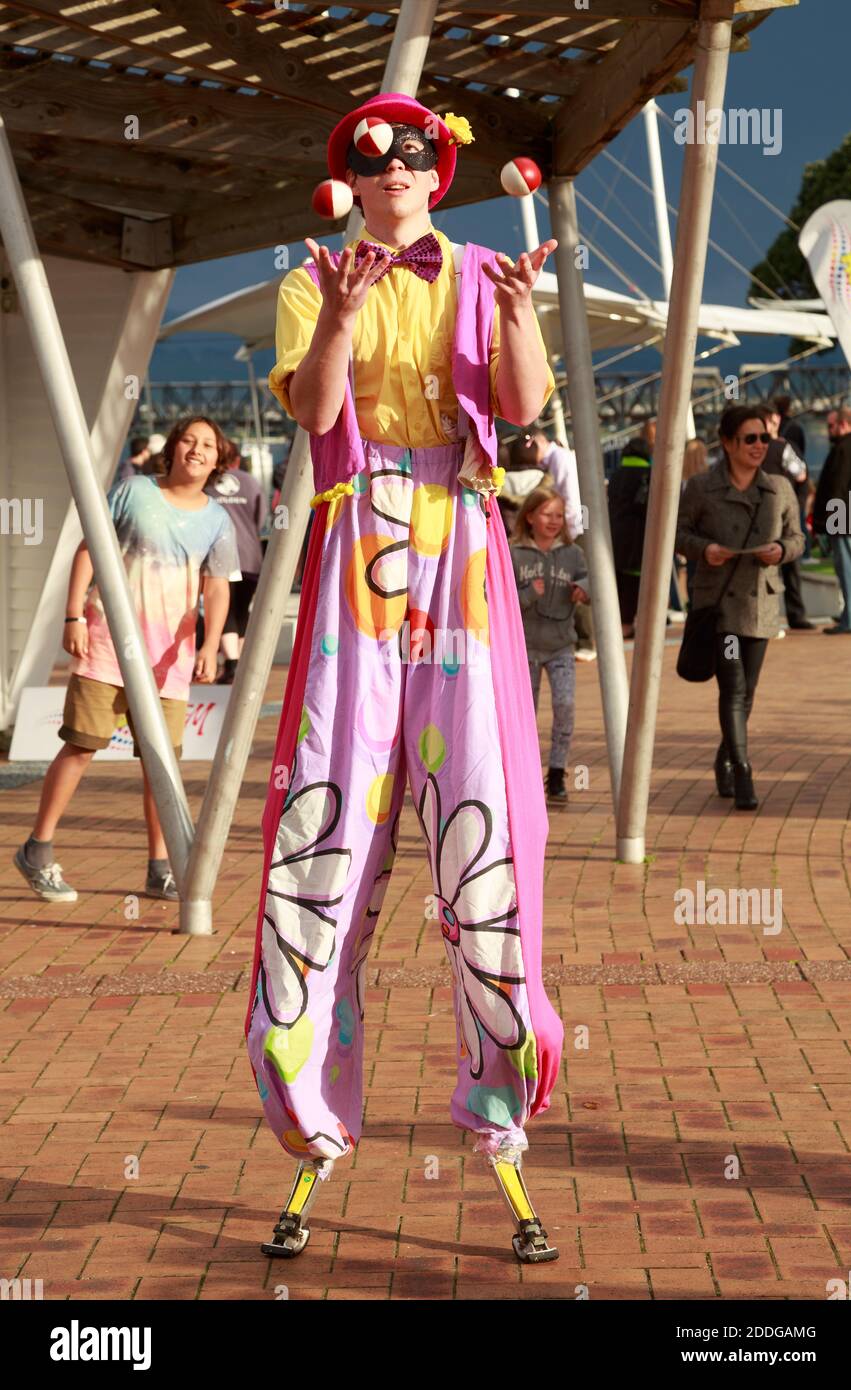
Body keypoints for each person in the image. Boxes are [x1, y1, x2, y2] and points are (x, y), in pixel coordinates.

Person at [247, 93, 565, 1266]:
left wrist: (523, 314)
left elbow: (523, 412)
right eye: (371, 155)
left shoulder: (483, 270)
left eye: (413, 151)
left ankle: (502, 1104)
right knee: (327, 815)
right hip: (358, 537)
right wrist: (337, 314)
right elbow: (320, 414)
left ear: (440, 169)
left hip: (464, 538)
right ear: (351, 175)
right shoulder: (311, 278)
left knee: (478, 822)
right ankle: (307, 1115)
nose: (393, 166)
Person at [13, 416, 240, 904]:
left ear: (218, 460)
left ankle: (162, 866)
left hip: (169, 661)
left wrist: (209, 644)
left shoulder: (218, 520)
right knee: (81, 746)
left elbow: (217, 588)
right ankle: (37, 849)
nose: (196, 450)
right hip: (108, 645)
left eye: (207, 446)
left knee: (161, 765)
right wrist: (73, 616)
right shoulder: (134, 491)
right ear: (173, 447)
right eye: (188, 440)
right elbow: (89, 549)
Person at [676, 405, 804, 811]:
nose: (759, 446)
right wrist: (705, 550)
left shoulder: (779, 488)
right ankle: (744, 769)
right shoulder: (700, 487)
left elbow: (798, 538)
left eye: (764, 439)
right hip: (719, 604)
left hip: (762, 603)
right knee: (732, 688)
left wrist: (781, 550)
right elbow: (678, 534)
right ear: (728, 443)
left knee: (747, 692)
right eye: (750, 439)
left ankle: (724, 755)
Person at [510, 486, 589, 804]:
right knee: (525, 713)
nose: (554, 521)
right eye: (546, 514)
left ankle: (557, 771)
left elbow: (593, 580)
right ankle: (523, 773)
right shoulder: (514, 553)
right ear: (529, 517)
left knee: (565, 706)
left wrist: (584, 588)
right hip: (525, 647)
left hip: (561, 646)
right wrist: (529, 592)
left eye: (559, 515)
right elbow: (496, 600)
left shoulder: (574, 554)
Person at [204, 440, 266, 683]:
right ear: (238, 459)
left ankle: (231, 663)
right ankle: (238, 663)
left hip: (218, 556)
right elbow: (260, 519)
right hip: (250, 555)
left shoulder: (208, 483)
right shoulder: (251, 482)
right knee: (241, 609)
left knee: (224, 607)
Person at [812, 405, 851, 634]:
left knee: (850, 571)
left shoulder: (844, 449)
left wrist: (825, 521)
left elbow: (837, 486)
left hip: (845, 518)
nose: (829, 431)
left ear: (844, 424)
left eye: (832, 426)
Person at [761, 403, 814, 630]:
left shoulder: (749, 448)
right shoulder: (782, 448)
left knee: (765, 564)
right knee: (790, 564)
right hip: (782, 510)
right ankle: (795, 615)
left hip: (761, 512)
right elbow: (801, 474)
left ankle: (768, 617)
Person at [608, 417, 655, 637]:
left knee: (620, 583)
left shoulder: (616, 475)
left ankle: (622, 625)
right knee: (639, 583)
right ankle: (636, 625)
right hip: (642, 538)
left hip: (617, 537)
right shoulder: (650, 475)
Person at [507, 427, 583, 541]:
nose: (529, 450)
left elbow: (571, 498)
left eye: (531, 445)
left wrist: (567, 535)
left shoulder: (560, 458)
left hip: (571, 531)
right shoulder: (552, 461)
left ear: (540, 441)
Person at [681, 438, 708, 606]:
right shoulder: (708, 481)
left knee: (692, 574)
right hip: (704, 533)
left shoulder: (681, 482)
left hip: (688, 534)